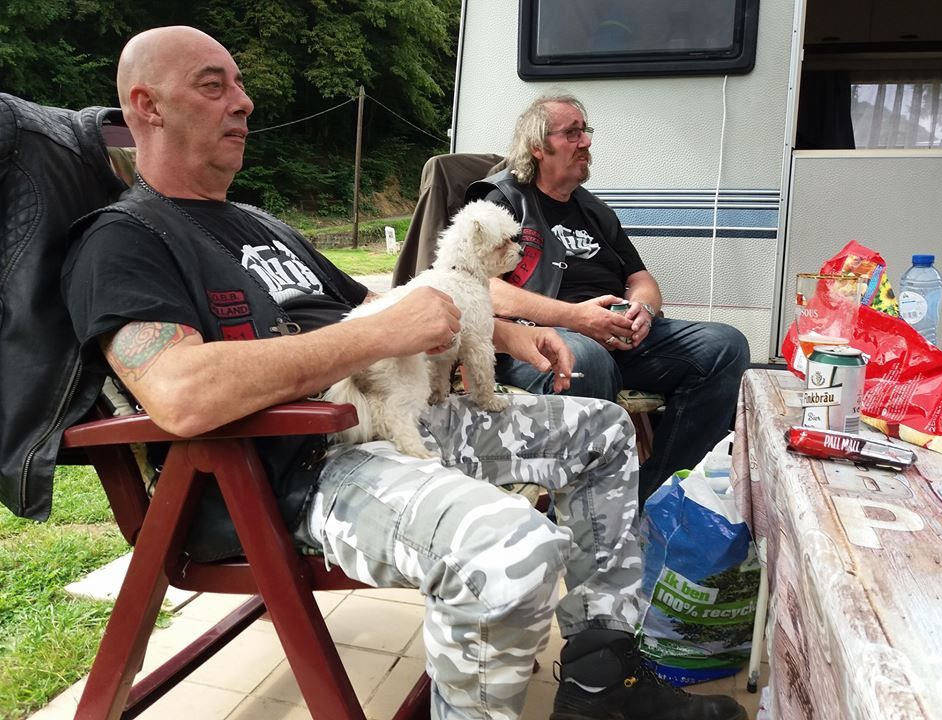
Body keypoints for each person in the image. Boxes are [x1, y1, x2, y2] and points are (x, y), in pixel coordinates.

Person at [61, 27, 747, 720]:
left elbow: (374, 303)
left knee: (603, 431)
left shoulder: (258, 223)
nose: (243, 102)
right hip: (296, 467)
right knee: (512, 551)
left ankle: (601, 683)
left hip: (398, 419)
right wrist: (379, 336)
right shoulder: (124, 238)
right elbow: (178, 391)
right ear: (146, 106)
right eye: (214, 86)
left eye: (239, 85)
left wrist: (505, 329)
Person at [466, 94, 750, 503]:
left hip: (615, 332)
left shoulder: (594, 210)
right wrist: (576, 318)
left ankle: (652, 497)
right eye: (572, 133)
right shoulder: (505, 201)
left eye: (586, 131)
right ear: (538, 146)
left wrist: (643, 310)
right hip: (541, 340)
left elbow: (640, 277)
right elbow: (482, 287)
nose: (586, 142)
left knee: (725, 345)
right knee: (588, 359)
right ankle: (589, 509)